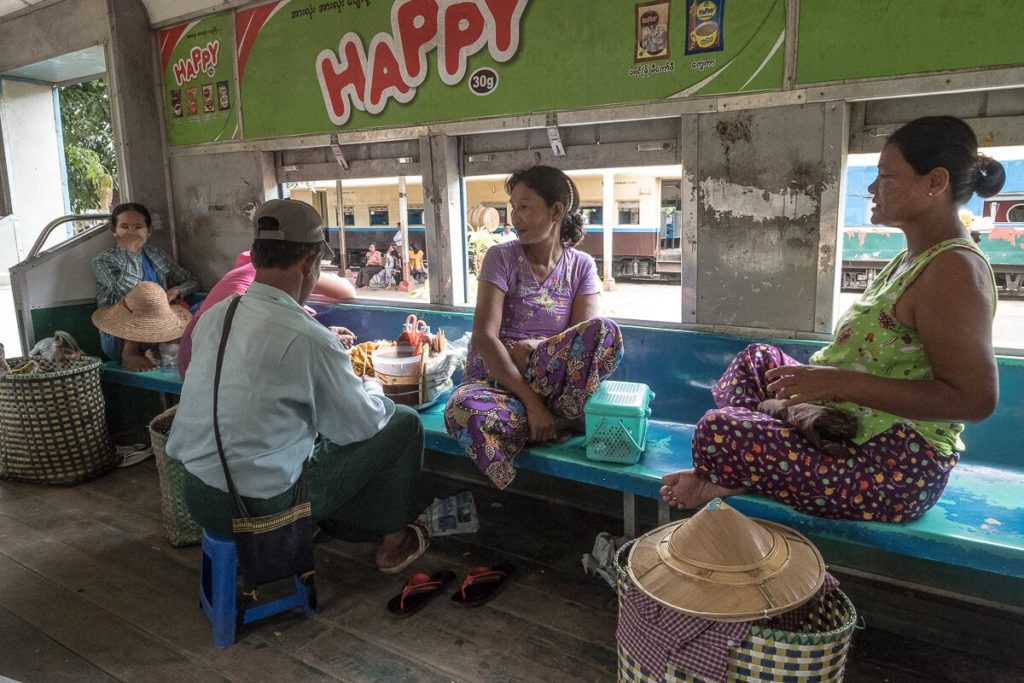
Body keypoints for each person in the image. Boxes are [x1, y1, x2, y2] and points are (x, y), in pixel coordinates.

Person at [661, 116, 1005, 523]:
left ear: (934, 182)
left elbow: (974, 399)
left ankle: (737, 471)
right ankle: (806, 423)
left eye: (885, 176)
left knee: (718, 430)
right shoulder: (911, 259)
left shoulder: (954, 270)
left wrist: (837, 382)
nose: (873, 189)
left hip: (891, 466)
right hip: (851, 425)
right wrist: (825, 386)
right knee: (758, 361)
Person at [166, 199, 429, 574]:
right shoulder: (308, 337)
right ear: (309, 263)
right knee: (402, 422)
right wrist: (370, 385)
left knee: (309, 430)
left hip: (197, 491)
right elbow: (361, 426)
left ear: (256, 256)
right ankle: (394, 542)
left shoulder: (216, 317)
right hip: (257, 504)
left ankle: (335, 521)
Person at [444, 166, 624, 489]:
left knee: (605, 331)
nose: (515, 217)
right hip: (497, 383)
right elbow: (485, 338)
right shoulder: (500, 258)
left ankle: (552, 419)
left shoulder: (581, 266)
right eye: (513, 207)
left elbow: (579, 342)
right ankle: (556, 425)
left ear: (556, 212)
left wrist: (535, 347)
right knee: (461, 410)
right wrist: (532, 404)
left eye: (525, 207)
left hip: (548, 379)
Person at [176, 250, 357, 378]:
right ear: (308, 260)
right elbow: (346, 291)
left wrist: (324, 336)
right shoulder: (289, 271)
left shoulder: (250, 273)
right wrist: (324, 341)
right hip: (218, 363)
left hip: (190, 358)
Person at [92, 202, 200, 364]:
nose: (132, 233)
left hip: (161, 327)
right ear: (114, 230)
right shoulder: (103, 260)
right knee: (139, 306)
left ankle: (161, 350)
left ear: (148, 231)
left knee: (202, 307)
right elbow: (127, 290)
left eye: (138, 227)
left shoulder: (155, 254)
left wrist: (174, 291)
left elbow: (192, 281)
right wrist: (131, 252)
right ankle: (133, 352)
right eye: (125, 227)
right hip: (122, 333)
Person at [91, 282, 191, 375]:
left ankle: (145, 352)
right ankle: (130, 351)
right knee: (139, 316)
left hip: (152, 345)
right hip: (117, 341)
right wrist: (130, 353)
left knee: (176, 332)